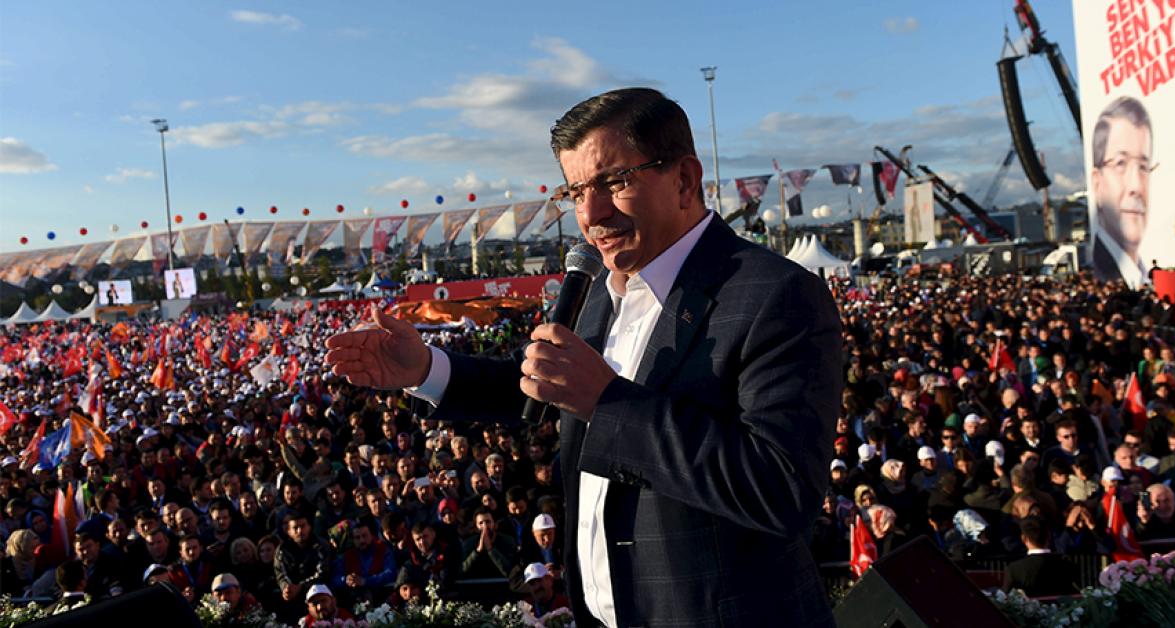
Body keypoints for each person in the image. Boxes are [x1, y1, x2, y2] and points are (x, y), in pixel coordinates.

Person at [326, 86, 842, 626]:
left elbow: (781, 488)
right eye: (575, 192)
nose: (590, 214)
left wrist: (607, 403)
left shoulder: (777, 295)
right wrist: (427, 369)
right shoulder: (600, 288)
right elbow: (545, 382)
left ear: (685, 179)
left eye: (615, 182)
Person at [1090, 96, 1154, 288]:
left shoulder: (1143, 274)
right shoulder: (1104, 274)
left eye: (1143, 167)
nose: (1136, 186)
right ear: (1097, 182)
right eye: (1120, 164)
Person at [1002, 516, 1079, 597]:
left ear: (1024, 539)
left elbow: (1004, 599)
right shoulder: (1068, 566)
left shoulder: (1014, 570)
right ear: (1049, 536)